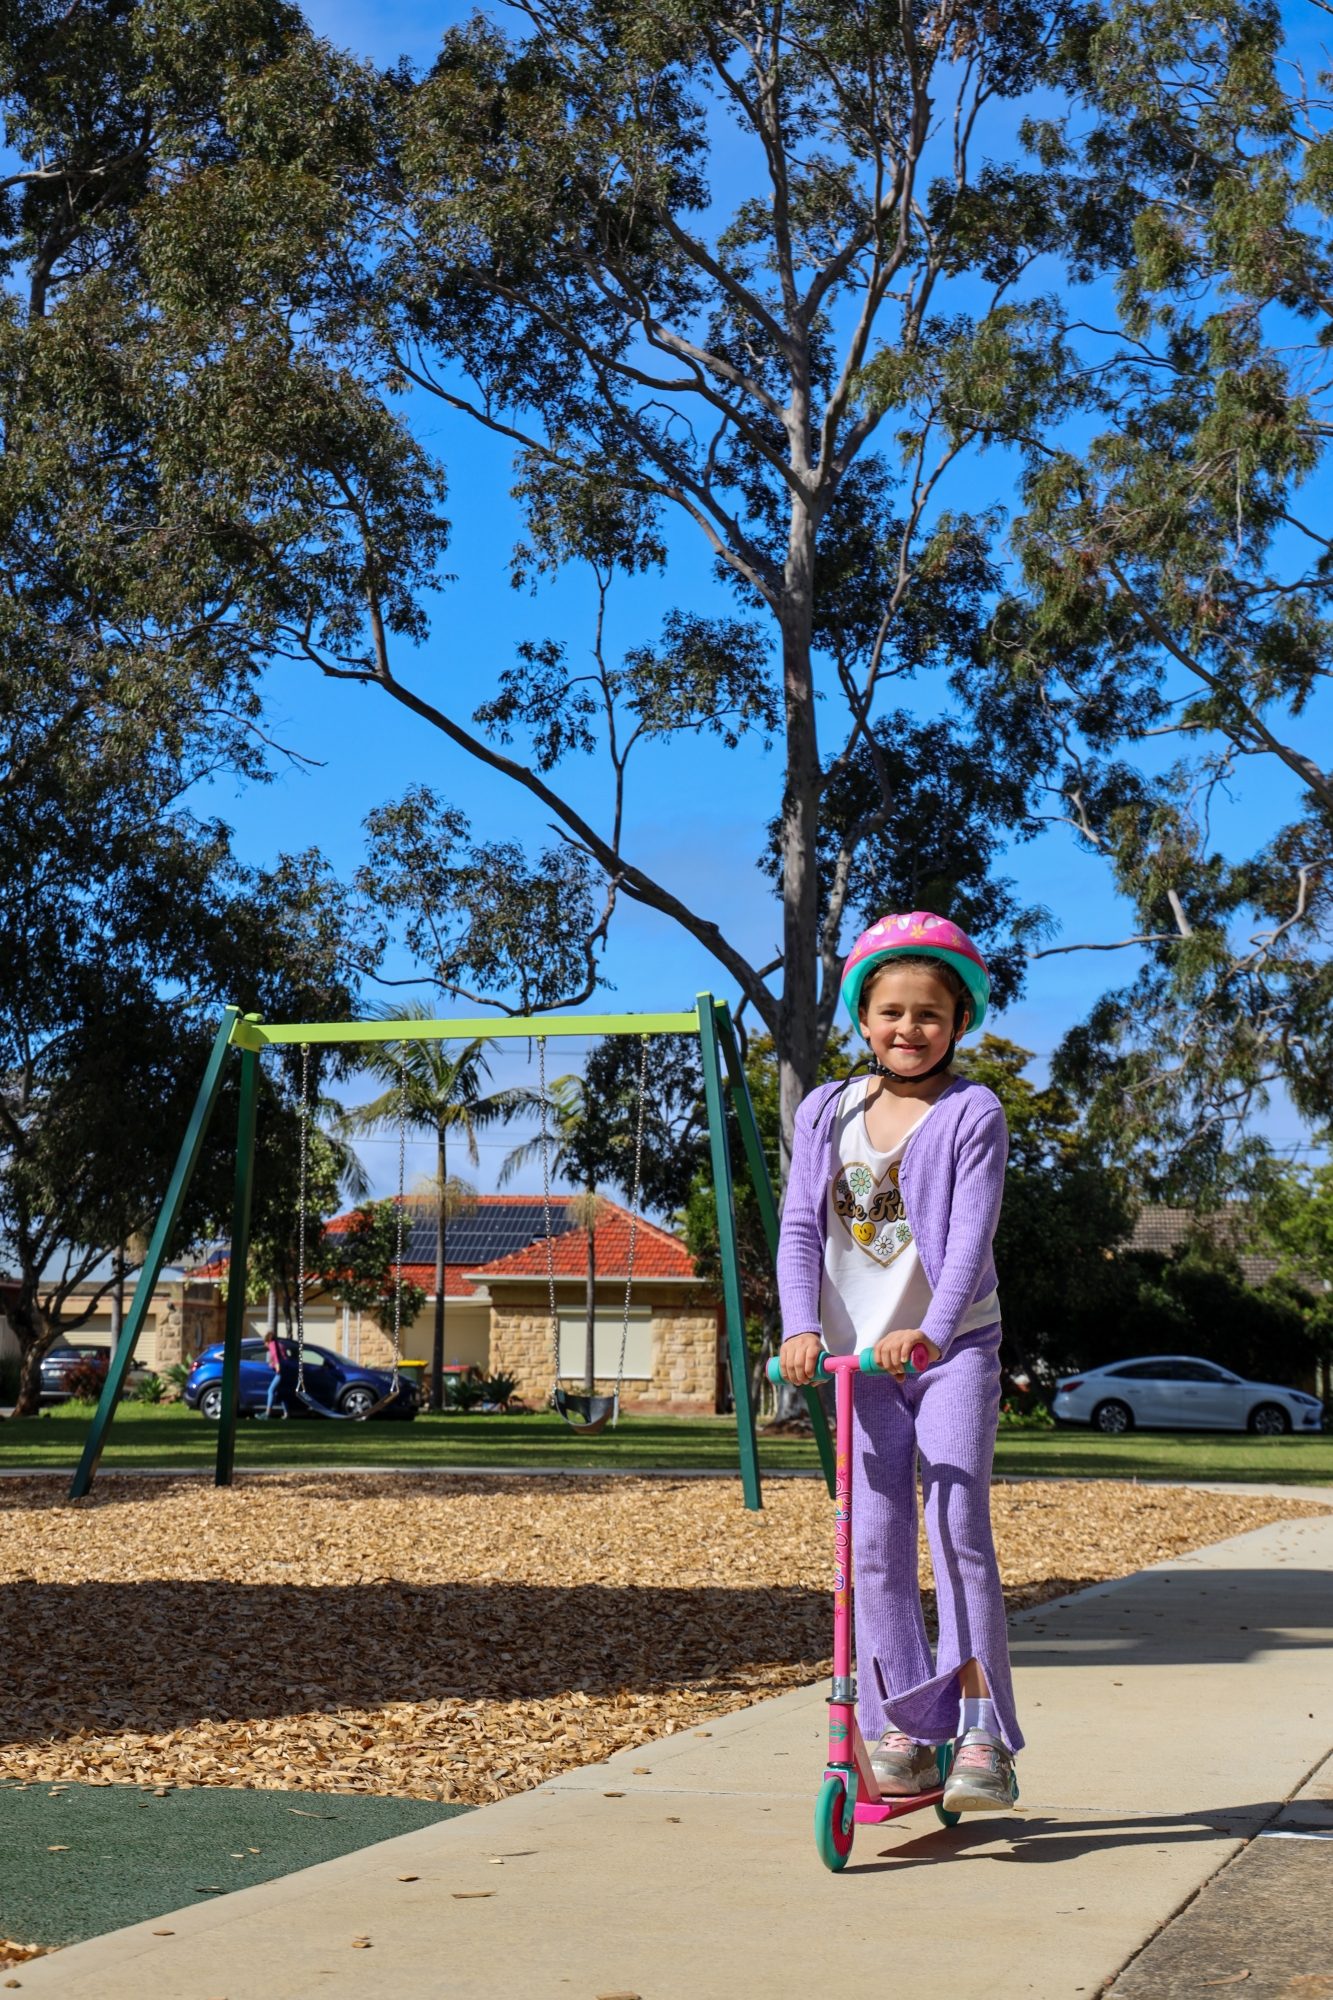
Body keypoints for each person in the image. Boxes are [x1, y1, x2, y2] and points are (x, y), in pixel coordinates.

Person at [777, 910, 1019, 1813]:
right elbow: (801, 1227)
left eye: (928, 1014)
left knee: (956, 1524)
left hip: (951, 1352)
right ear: (862, 1017)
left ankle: (981, 1730)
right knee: (872, 1547)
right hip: (856, 1365)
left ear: (959, 1022)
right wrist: (801, 1324)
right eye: (889, 1011)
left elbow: (965, 1243)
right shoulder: (826, 1110)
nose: (907, 1029)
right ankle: (903, 1732)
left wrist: (933, 1330)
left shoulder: (971, 1112)